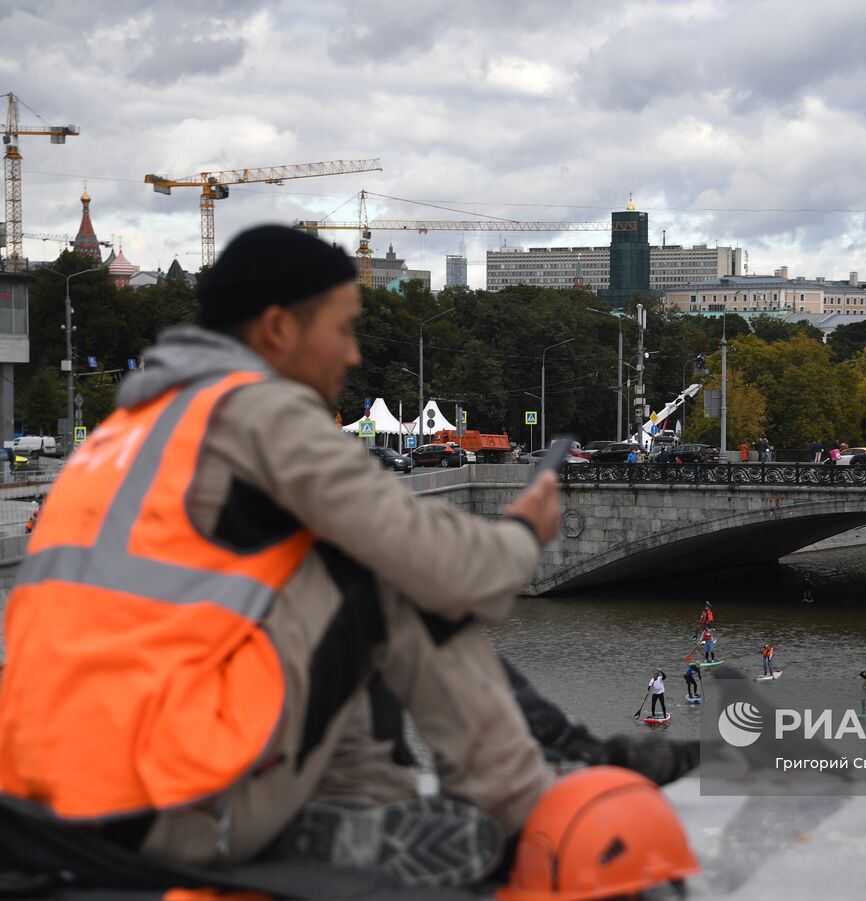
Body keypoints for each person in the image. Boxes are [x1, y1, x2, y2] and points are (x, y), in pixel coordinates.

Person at [0, 225, 612, 890]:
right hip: (167, 809)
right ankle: (525, 814)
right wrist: (524, 531)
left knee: (318, 571)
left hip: (43, 806)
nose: (353, 354)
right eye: (344, 328)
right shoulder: (256, 409)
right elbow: (439, 561)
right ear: (277, 330)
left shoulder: (122, 432)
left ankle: (358, 804)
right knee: (376, 567)